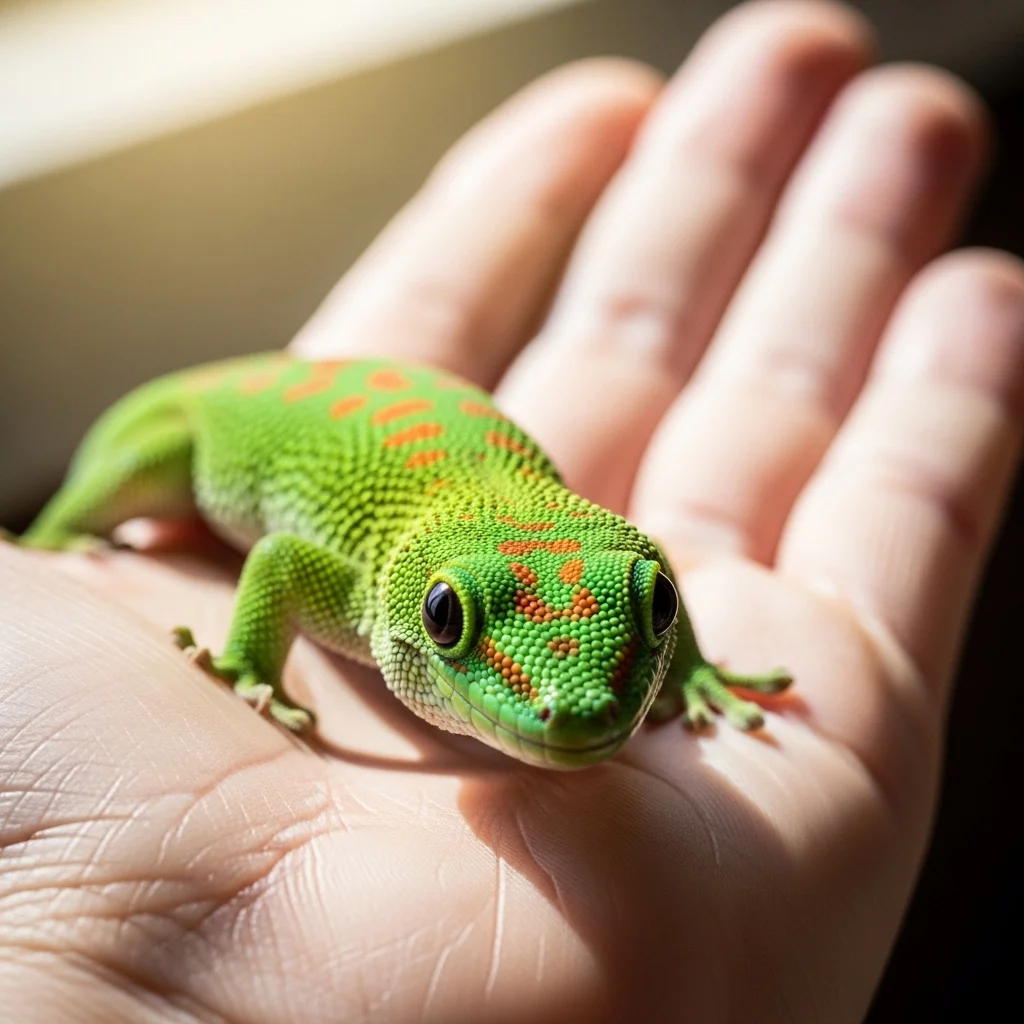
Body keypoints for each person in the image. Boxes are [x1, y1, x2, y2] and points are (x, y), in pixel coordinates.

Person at [2, 1, 1021, 1020]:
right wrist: (235, 661)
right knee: (121, 484)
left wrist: (693, 666)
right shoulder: (365, 586)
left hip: (416, 439)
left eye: (654, 615)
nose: (576, 708)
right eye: (452, 621)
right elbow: (273, 566)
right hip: (205, 418)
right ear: (417, 608)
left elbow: (634, 567)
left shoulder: (588, 566)